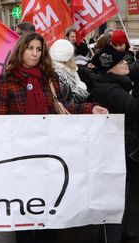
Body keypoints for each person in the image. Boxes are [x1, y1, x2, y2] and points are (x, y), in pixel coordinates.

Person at [0, 32, 108, 243]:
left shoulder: (49, 78)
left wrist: (91, 108)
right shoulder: (7, 79)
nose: (35, 54)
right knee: (25, 216)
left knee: (49, 216)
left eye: (38, 49)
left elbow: (63, 110)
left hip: (48, 156)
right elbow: (0, 120)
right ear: (21, 50)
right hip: (21, 159)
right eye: (30, 48)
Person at [91, 44, 139, 243]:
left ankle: (121, 230)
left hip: (123, 145)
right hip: (115, 149)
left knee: (124, 191)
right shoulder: (109, 88)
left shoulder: (120, 83)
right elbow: (134, 109)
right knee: (114, 195)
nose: (126, 63)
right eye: (120, 62)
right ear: (109, 69)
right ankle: (111, 236)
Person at [49, 39, 90, 105]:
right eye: (72, 55)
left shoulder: (69, 70)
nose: (73, 57)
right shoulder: (59, 74)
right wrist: (81, 89)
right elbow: (68, 103)